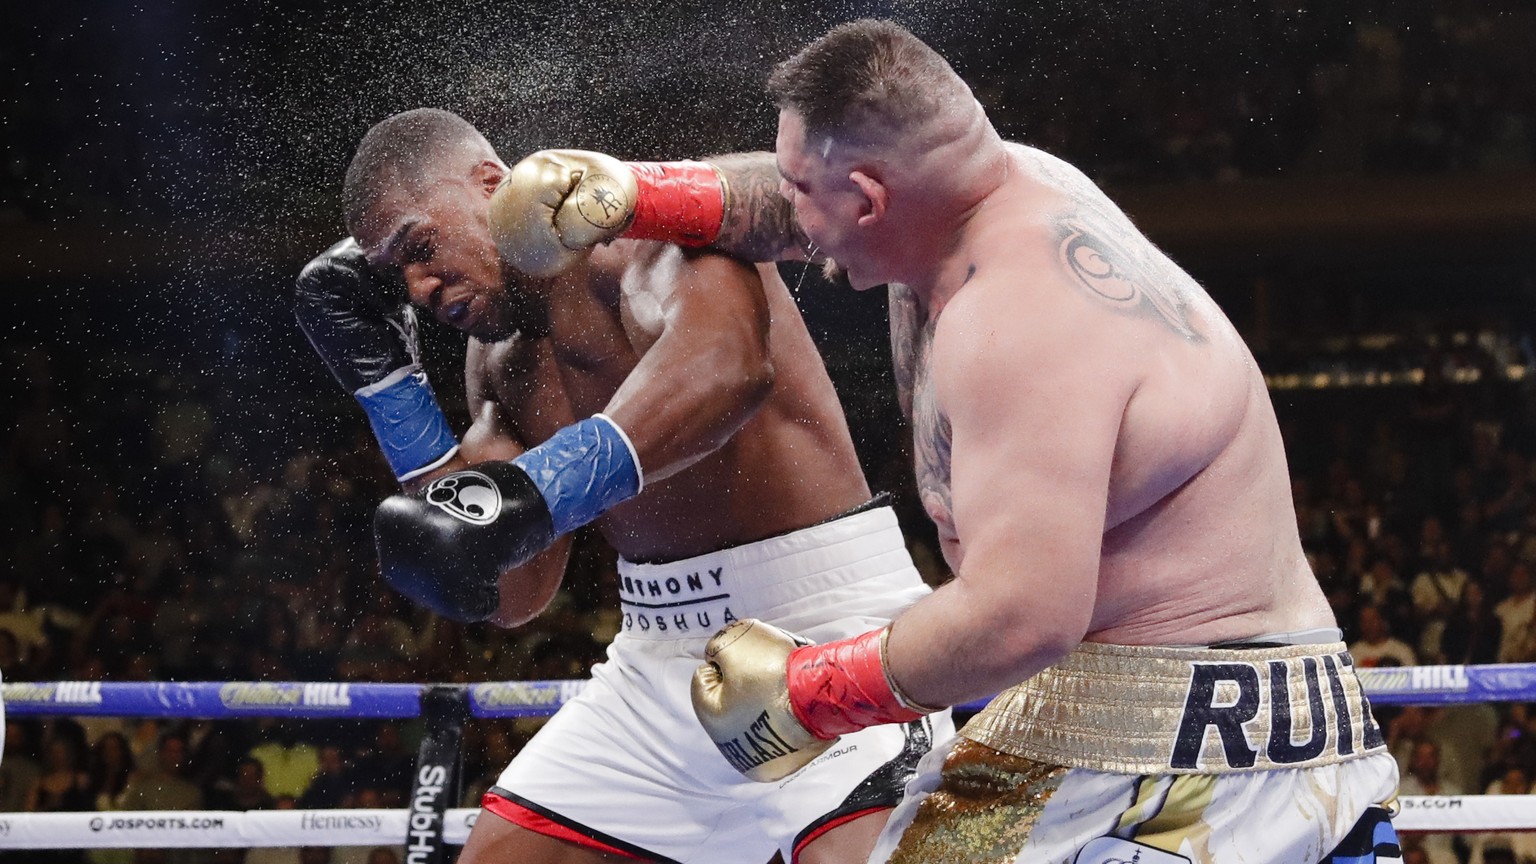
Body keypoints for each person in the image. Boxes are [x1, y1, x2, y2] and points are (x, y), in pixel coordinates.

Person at [504, 19, 1401, 863]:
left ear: (867, 198)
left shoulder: (1020, 320)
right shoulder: (988, 192)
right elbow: (780, 204)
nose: (798, 231)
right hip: (1188, 714)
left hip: (1186, 754)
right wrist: (638, 195)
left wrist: (809, 694)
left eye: (808, 195)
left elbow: (1023, 614)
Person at [294, 107, 950, 864]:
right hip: (656, 656)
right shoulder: (495, 363)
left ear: (488, 183)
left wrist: (541, 486)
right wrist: (393, 393)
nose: (418, 285)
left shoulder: (642, 230)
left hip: (825, 626)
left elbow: (728, 368)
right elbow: (513, 591)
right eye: (394, 276)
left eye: (419, 245)